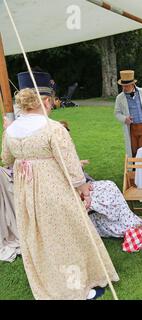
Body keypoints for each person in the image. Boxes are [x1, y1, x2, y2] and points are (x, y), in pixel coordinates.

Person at [1, 71, 118, 300]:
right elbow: (71, 164)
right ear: (45, 100)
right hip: (53, 189)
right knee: (67, 235)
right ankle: (75, 289)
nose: (52, 106)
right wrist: (82, 188)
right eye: (51, 102)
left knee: (40, 238)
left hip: (26, 193)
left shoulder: (10, 130)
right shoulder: (53, 128)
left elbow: (6, 159)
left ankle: (50, 282)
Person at [59, 121, 142, 238]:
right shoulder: (56, 155)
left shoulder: (66, 151)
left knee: (110, 186)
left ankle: (126, 221)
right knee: (107, 191)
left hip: (82, 186)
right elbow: (65, 178)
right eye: (64, 134)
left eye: (67, 133)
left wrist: (84, 180)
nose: (67, 137)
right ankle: (124, 224)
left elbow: (76, 174)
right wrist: (83, 187)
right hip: (74, 191)